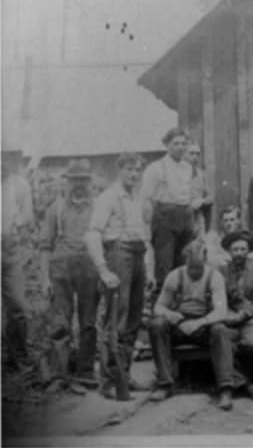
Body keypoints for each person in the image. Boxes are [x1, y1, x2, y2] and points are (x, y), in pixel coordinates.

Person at [85, 153, 155, 398]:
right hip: (118, 254)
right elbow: (93, 234)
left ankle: (124, 376)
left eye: (137, 170)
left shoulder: (138, 197)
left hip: (137, 255)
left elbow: (144, 235)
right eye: (129, 169)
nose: (134, 174)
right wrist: (103, 269)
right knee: (116, 321)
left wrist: (149, 267)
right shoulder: (108, 198)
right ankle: (108, 382)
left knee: (134, 320)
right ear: (119, 170)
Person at [148, 239, 247, 410]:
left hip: (204, 324)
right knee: (156, 325)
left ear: (205, 261)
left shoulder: (214, 276)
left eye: (198, 268)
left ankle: (225, 388)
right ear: (185, 262)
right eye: (191, 267)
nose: (195, 272)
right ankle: (165, 383)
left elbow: (221, 312)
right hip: (180, 323)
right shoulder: (175, 276)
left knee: (220, 329)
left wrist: (199, 322)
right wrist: (170, 314)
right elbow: (158, 306)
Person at [40, 159, 100, 393]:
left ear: (89, 182)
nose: (79, 185)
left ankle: (85, 373)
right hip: (61, 270)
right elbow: (45, 245)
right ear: (67, 182)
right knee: (59, 323)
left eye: (83, 180)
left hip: (89, 269)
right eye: (75, 180)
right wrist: (45, 278)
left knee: (88, 322)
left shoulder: (97, 207)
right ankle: (59, 375)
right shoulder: (54, 209)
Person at [217, 230, 253, 407]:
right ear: (229, 251)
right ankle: (244, 386)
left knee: (252, 344)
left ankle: (244, 381)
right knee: (220, 343)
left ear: (248, 250)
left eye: (243, 249)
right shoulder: (223, 271)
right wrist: (227, 315)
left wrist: (244, 315)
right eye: (235, 249)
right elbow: (218, 298)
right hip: (230, 320)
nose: (239, 253)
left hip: (252, 320)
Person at [140, 127, 197, 293]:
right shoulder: (156, 168)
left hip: (185, 216)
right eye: (176, 143)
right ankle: (160, 304)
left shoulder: (187, 167)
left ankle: (180, 302)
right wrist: (147, 225)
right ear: (167, 145)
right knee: (164, 263)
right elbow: (146, 198)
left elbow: (188, 195)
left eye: (183, 144)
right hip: (165, 218)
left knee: (184, 260)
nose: (180, 147)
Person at [1, 147, 34, 370]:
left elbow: (28, 220)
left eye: (5, 157)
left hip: (10, 248)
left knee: (18, 305)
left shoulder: (20, 185)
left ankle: (19, 357)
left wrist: (19, 242)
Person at [203, 205, 243, 271]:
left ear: (238, 221)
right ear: (221, 222)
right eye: (225, 220)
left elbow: (249, 260)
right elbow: (210, 261)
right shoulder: (213, 238)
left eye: (232, 220)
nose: (229, 223)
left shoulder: (245, 239)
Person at [186, 142, 213, 237]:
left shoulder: (201, 174)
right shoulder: (176, 175)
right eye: (191, 153)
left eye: (197, 154)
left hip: (198, 219)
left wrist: (202, 201)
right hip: (182, 219)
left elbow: (210, 197)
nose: (195, 157)